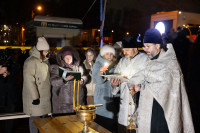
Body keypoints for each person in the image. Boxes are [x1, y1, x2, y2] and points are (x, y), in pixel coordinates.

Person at [127, 28, 194, 133]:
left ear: (157, 45)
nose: (144, 49)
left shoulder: (170, 61)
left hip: (164, 112)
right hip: (149, 111)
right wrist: (139, 87)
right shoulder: (150, 60)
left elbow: (162, 79)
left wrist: (142, 76)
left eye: (148, 46)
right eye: (144, 46)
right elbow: (151, 82)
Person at [110, 36, 148, 133]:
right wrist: (114, 84)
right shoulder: (122, 61)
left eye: (127, 49)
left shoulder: (145, 59)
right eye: (123, 50)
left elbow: (148, 79)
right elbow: (116, 76)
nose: (124, 52)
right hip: (124, 103)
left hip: (139, 102)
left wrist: (138, 85)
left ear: (135, 49)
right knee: (123, 128)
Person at [23, 37, 51, 133]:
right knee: (35, 120)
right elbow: (29, 80)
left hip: (43, 97)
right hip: (35, 99)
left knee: (42, 121)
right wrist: (35, 97)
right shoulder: (30, 62)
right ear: (40, 50)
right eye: (45, 51)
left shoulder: (44, 61)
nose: (47, 52)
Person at [50, 46, 87, 114]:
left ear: (73, 58)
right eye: (66, 58)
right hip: (62, 104)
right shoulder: (57, 68)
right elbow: (53, 82)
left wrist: (83, 80)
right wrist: (64, 80)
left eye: (70, 57)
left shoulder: (79, 67)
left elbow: (85, 76)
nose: (68, 59)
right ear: (63, 58)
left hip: (78, 102)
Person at [92, 45, 119, 132]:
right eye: (107, 53)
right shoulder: (98, 64)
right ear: (102, 54)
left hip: (114, 96)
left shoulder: (115, 64)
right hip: (102, 97)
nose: (110, 55)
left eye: (111, 54)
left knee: (113, 123)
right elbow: (97, 81)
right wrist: (101, 72)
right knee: (103, 123)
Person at [0, 49, 19, 133]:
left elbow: (16, 70)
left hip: (10, 94)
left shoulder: (12, 63)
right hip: (1, 93)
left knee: (10, 114)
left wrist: (8, 72)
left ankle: (8, 130)